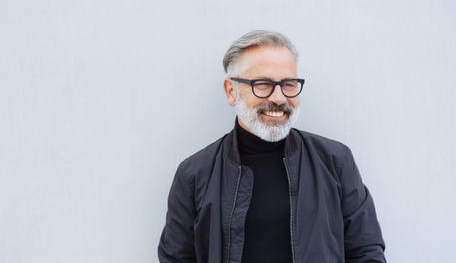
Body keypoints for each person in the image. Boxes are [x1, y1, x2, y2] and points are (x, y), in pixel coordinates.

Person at [158, 30, 386, 263]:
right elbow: (176, 258)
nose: (279, 98)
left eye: (288, 84)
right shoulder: (194, 175)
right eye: (263, 84)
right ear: (231, 91)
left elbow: (366, 252)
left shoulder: (336, 161)